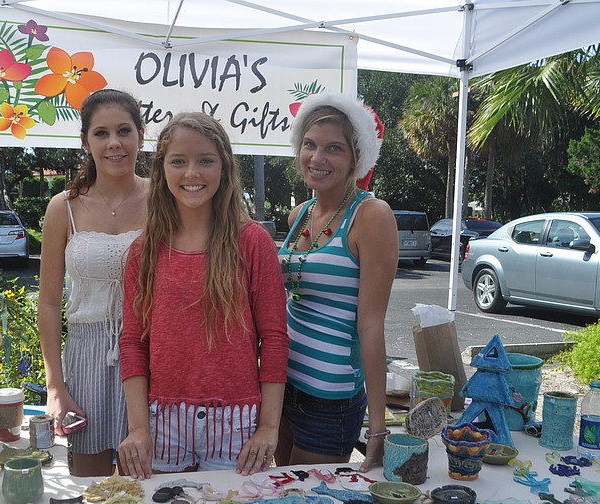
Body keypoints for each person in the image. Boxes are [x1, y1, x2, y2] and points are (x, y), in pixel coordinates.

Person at [118, 112, 289, 480]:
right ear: (161, 169)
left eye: (205, 161)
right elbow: (133, 342)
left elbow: (274, 339)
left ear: (224, 168)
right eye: (178, 161)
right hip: (162, 420)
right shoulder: (143, 251)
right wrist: (138, 428)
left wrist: (269, 426)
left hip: (236, 423)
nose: (191, 173)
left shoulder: (253, 242)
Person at [274, 92, 398, 472]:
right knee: (281, 492)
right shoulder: (300, 213)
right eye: (309, 145)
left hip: (330, 399)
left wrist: (377, 426)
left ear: (356, 158)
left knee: (305, 502)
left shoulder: (372, 216)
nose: (318, 158)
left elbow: (372, 323)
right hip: (282, 386)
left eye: (334, 149)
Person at [38, 89, 149, 477]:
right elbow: (49, 302)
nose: (114, 143)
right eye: (101, 133)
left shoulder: (165, 199)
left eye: (124, 130)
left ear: (141, 135)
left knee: (151, 482)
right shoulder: (63, 207)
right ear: (85, 142)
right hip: (86, 357)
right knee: (91, 486)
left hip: (151, 353)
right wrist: (56, 387)